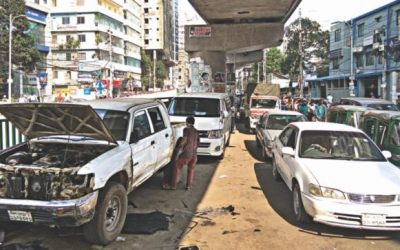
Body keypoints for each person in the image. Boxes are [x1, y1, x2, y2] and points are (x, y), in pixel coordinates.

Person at [171, 116, 199, 191]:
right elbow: (198, 142)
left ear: (187, 122)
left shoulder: (186, 129)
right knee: (191, 170)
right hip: (194, 154)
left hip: (186, 153)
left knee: (177, 167)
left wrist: (179, 147)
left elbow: (184, 140)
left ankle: (173, 185)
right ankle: (188, 186)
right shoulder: (196, 131)